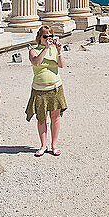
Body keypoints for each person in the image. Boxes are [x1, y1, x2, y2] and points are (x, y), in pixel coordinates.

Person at [27, 25, 67, 156]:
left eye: (50, 36)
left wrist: (59, 51)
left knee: (55, 117)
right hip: (39, 89)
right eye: (45, 36)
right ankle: (43, 145)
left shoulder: (54, 50)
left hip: (55, 87)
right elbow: (36, 62)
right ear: (40, 38)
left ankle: (54, 145)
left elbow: (61, 65)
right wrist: (45, 48)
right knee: (42, 118)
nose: (48, 39)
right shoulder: (34, 50)